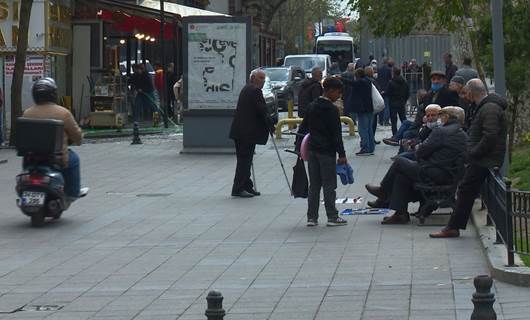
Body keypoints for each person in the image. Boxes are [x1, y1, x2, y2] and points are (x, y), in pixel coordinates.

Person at [430, 79, 508, 238]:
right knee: (466, 189)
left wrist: (473, 152)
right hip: (483, 158)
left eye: (466, 93)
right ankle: (453, 226)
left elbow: (490, 136)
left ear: (472, 93)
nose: (464, 97)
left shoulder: (490, 108)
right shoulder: (485, 107)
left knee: (466, 190)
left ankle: (453, 227)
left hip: (484, 159)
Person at [365, 107, 468, 224]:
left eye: (441, 116)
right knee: (401, 176)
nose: (439, 119)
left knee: (399, 161)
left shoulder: (442, 131)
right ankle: (400, 214)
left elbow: (421, 151)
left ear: (447, 117)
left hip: (435, 172)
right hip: (446, 172)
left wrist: (417, 148)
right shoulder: (460, 132)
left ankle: (383, 191)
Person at [22, 78, 87, 199]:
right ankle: (72, 191)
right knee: (74, 159)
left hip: (31, 158)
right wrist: (79, 139)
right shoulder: (63, 113)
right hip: (57, 158)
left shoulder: (27, 113)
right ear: (53, 94)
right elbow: (77, 136)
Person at [301, 77, 348, 227]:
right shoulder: (331, 110)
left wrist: (300, 149)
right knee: (329, 185)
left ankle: (312, 218)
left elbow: (303, 128)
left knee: (314, 185)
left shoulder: (312, 106)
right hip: (327, 152)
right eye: (338, 92)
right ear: (331, 91)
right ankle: (332, 216)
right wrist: (342, 154)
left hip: (312, 150)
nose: (339, 96)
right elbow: (336, 135)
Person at [229, 69, 274, 198]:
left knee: (246, 160)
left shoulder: (247, 89)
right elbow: (262, 110)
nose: (263, 81)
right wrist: (270, 125)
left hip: (242, 132)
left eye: (264, 79)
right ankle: (238, 188)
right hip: (245, 133)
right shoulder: (255, 91)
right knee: (244, 161)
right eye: (260, 78)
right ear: (253, 78)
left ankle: (247, 186)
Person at [343, 68, 374, 156]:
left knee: (362, 129)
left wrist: (341, 79)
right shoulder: (368, 81)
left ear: (358, 76)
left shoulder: (361, 82)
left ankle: (365, 147)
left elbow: (352, 83)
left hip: (362, 109)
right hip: (369, 108)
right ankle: (371, 147)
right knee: (369, 129)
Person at [386, 67, 410, 136]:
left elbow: (388, 93)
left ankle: (395, 135)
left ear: (393, 73)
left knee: (394, 121)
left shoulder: (391, 82)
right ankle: (406, 134)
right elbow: (407, 93)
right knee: (403, 119)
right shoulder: (404, 82)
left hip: (393, 103)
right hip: (402, 103)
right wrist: (404, 100)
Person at [365, 66, 382, 144]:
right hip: (373, 104)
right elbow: (378, 91)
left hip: (366, 105)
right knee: (373, 123)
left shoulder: (363, 80)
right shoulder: (373, 81)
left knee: (366, 124)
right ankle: (372, 139)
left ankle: (367, 140)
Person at [377, 57, 394, 126]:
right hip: (387, 89)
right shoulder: (389, 69)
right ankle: (386, 121)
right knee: (387, 105)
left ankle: (381, 120)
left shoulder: (379, 69)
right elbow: (390, 80)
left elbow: (378, 79)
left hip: (380, 89)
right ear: (387, 62)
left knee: (381, 105)